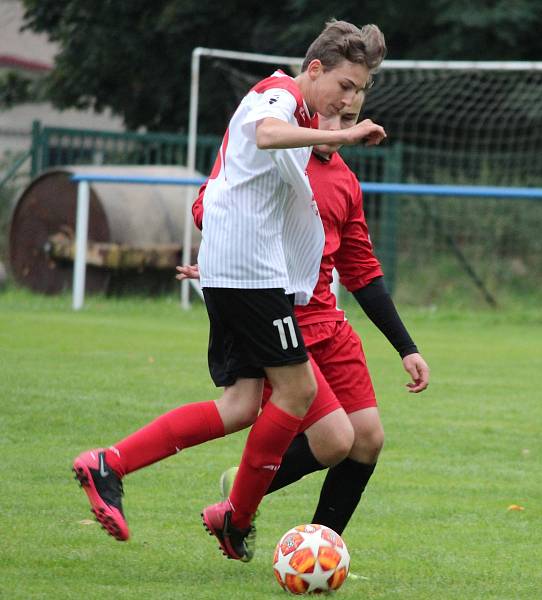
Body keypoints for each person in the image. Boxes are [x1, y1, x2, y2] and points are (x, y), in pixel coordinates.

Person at [72, 20, 387, 561]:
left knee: (241, 404)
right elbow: (265, 135)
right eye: (346, 86)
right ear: (314, 69)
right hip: (250, 277)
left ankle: (113, 464)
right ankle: (236, 516)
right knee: (299, 395)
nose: (350, 99)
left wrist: (217, 256)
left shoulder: (301, 113)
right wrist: (340, 134)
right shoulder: (279, 94)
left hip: (242, 271)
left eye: (360, 91)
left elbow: (248, 194)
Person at [179, 91, 429, 558]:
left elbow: (363, 272)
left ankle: (317, 551)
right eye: (331, 114)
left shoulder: (346, 183)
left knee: (368, 439)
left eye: (348, 120)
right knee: (334, 441)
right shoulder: (274, 156)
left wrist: (406, 347)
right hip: (279, 320)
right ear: (311, 107)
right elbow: (208, 204)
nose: (337, 126)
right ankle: (242, 496)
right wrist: (225, 256)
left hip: (330, 327)